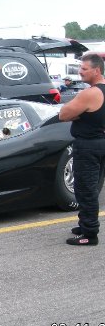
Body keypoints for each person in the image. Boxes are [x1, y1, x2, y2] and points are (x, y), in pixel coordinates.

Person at [59, 53, 105, 246]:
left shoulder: (90, 93)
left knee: (85, 189)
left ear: (96, 70)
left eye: (84, 69)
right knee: (93, 187)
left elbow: (63, 114)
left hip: (88, 146)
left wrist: (78, 114)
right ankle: (85, 224)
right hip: (101, 142)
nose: (80, 72)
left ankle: (89, 233)